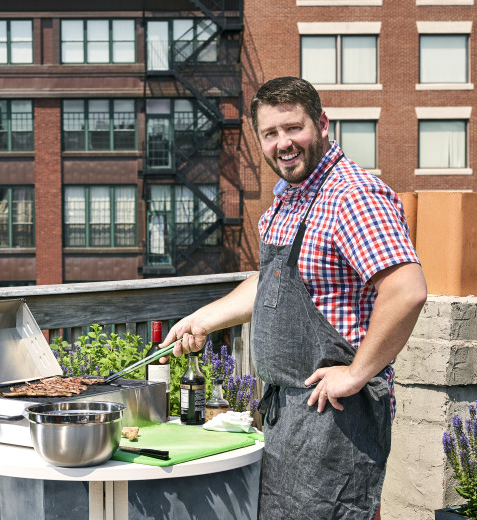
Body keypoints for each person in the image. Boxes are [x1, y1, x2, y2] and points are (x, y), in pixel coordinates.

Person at [159, 76, 427, 519]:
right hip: (287, 412)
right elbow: (273, 283)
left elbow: (406, 289)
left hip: (337, 415)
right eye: (270, 133)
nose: (283, 143)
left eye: (293, 128)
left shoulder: (352, 196)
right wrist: (205, 319)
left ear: (321, 124)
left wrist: (356, 373)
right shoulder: (288, 202)